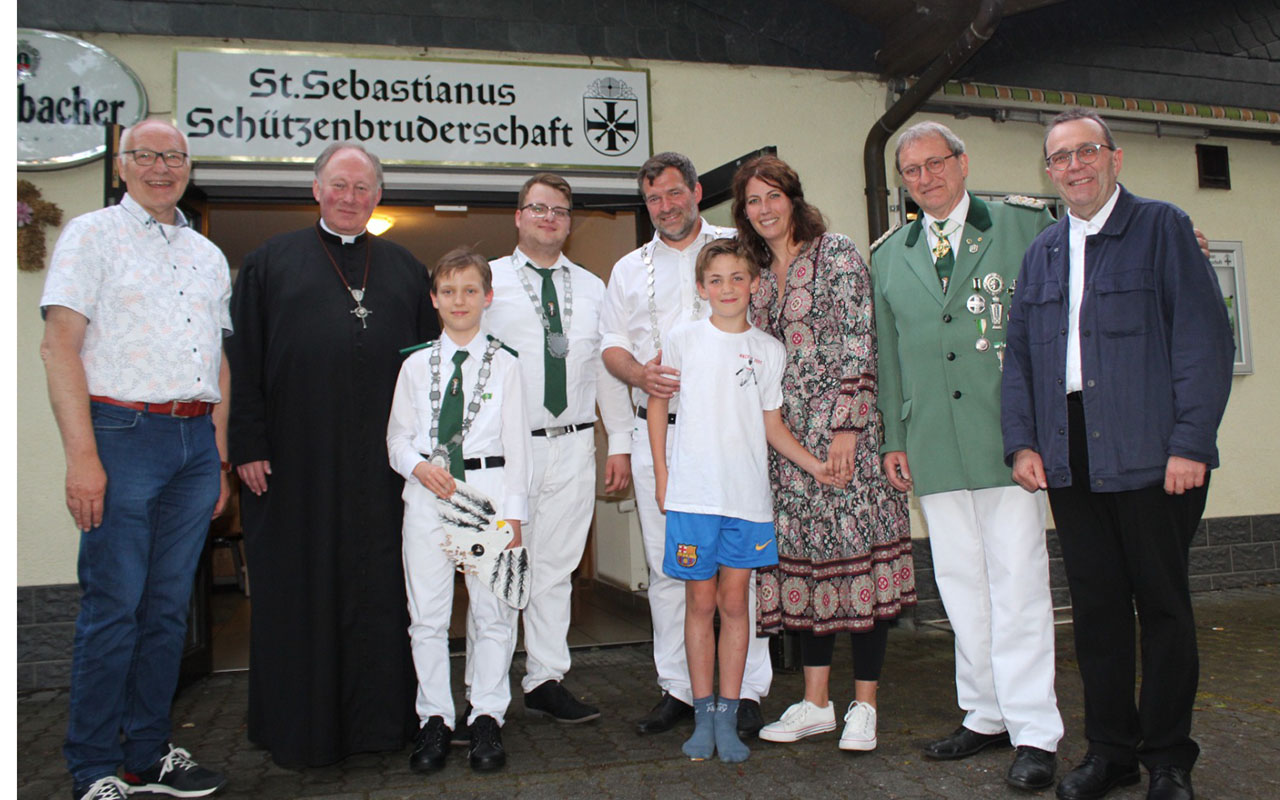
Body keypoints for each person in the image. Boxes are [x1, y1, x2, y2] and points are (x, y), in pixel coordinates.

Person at [1002, 109, 1234, 800]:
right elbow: (1019, 360)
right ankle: (1110, 754)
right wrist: (1021, 441)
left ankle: (1167, 757)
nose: (1074, 166)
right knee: (1098, 610)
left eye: (1086, 152)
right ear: (1048, 173)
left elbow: (1203, 341)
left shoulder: (1161, 229)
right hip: (1070, 451)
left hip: (1154, 449)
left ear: (1114, 158)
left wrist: (1190, 441)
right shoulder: (1042, 253)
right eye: (1060, 158)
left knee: (1162, 607)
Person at [226, 142, 438, 767]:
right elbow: (243, 361)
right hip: (295, 465)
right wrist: (247, 443)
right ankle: (301, 730)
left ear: (378, 195)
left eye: (363, 188)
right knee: (300, 591)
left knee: (385, 591)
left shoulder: (403, 267)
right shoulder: (269, 263)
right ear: (316, 189)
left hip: (384, 468)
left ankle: (385, 722)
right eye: (339, 186)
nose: (350, 198)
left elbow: (429, 371)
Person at [869, 121, 1063, 791]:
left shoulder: (1024, 228)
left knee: (1018, 587)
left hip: (1008, 441)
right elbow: (889, 357)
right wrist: (895, 437)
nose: (924, 179)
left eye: (934, 164)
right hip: (932, 443)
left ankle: (1035, 729)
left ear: (961, 162)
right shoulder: (891, 254)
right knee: (960, 585)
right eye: (911, 171)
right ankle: (984, 712)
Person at [40, 119, 230, 800]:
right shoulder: (91, 236)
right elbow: (59, 347)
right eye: (146, 156)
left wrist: (219, 453)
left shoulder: (206, 254)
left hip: (191, 442)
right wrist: (82, 458)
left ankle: (146, 755)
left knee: (168, 609)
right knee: (113, 607)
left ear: (188, 167)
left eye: (173, 157)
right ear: (122, 165)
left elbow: (218, 361)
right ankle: (93, 766)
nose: (160, 167)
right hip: (118, 434)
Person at [732, 154, 916, 753]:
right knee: (807, 572)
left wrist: (848, 426)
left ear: (793, 197)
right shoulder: (753, 272)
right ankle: (815, 703)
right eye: (753, 201)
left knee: (858, 567)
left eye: (772, 196)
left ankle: (865, 705)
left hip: (848, 439)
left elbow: (864, 337)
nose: (763, 209)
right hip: (787, 447)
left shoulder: (834, 252)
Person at [600, 152, 774, 738]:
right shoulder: (628, 268)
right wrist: (639, 375)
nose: (666, 206)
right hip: (663, 440)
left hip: (732, 436)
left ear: (697, 191)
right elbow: (611, 346)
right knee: (669, 569)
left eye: (675, 193)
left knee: (738, 572)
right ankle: (678, 687)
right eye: (654, 198)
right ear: (644, 203)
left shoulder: (736, 246)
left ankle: (746, 690)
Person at [648, 239, 833, 763]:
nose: (727, 288)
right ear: (701, 288)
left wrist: (815, 464)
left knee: (735, 606)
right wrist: (664, 476)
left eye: (737, 278)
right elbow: (658, 406)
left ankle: (728, 716)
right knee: (698, 604)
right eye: (715, 279)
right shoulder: (682, 339)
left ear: (755, 283)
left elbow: (771, 426)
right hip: (693, 497)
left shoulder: (770, 350)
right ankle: (701, 714)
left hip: (747, 501)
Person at [480, 173, 633, 727]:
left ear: (569, 222)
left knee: (555, 569)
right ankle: (485, 698)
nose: (549, 218)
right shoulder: (486, 283)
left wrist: (619, 442)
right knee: (498, 569)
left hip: (572, 447)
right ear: (518, 217)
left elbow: (605, 373)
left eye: (560, 211)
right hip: (505, 453)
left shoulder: (594, 289)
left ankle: (545, 678)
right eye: (538, 208)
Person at [387, 247, 532, 773]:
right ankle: (435, 719)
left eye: (471, 290)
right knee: (426, 615)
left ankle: (487, 715)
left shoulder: (507, 364)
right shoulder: (413, 363)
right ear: (434, 300)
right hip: (429, 497)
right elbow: (397, 438)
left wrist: (513, 515)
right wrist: (416, 466)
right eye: (448, 291)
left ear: (487, 297)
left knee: (493, 612)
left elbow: (519, 446)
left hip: (487, 499)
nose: (460, 300)